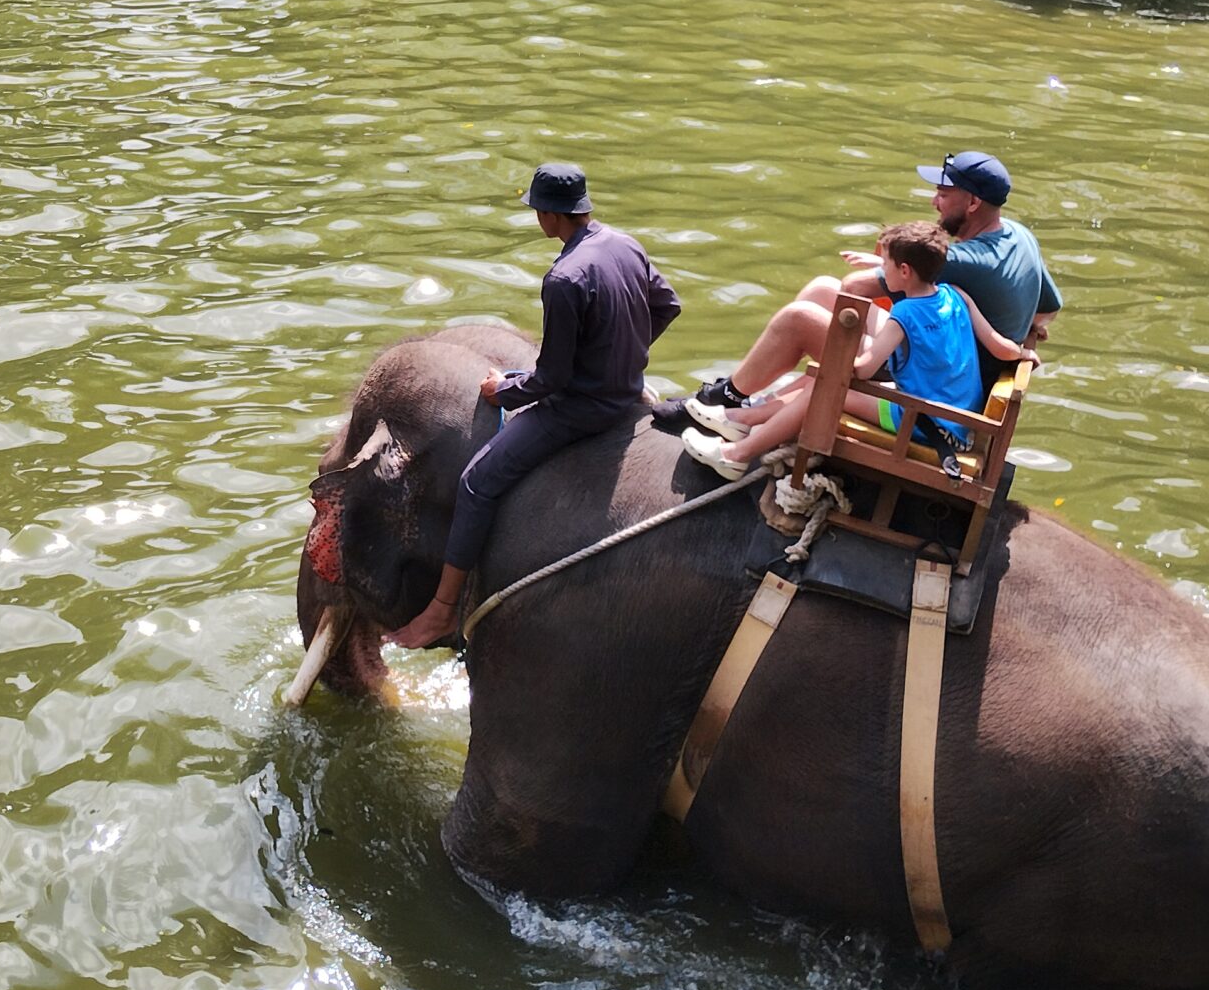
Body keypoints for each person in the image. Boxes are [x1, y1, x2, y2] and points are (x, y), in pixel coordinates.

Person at [386, 164, 681, 651]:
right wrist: (623, 357)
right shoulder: (625, 244)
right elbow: (667, 305)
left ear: (549, 215)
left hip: (583, 409)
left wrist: (504, 390)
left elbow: (553, 379)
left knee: (477, 483)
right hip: (628, 391)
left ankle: (441, 611)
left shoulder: (564, 279)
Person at [676, 148, 1062, 427]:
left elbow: (855, 287)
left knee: (802, 317)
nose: (934, 202)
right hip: (950, 365)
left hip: (929, 386)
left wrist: (886, 267)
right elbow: (1049, 308)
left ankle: (729, 401)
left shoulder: (960, 261)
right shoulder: (1019, 236)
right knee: (821, 290)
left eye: (944, 195)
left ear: (974, 201)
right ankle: (753, 395)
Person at [679, 221, 1034, 482]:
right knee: (830, 380)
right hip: (955, 420)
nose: (883, 272)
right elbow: (1001, 347)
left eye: (887, 266)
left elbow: (864, 370)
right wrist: (1025, 355)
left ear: (905, 271)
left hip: (922, 421)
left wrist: (835, 357)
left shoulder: (905, 315)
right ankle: (746, 421)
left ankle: (737, 454)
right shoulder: (956, 295)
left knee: (830, 387)